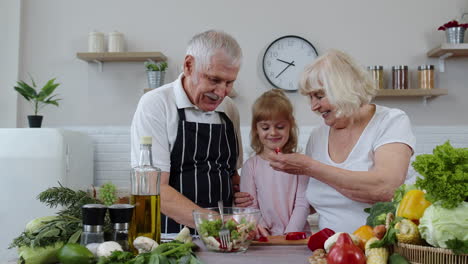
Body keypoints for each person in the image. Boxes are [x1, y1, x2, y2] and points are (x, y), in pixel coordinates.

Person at [236, 49, 415, 233]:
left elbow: (386, 188)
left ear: (343, 88)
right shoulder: (318, 136)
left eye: (319, 96)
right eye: (311, 97)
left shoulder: (391, 121)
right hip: (327, 250)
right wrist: (259, 199)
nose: (314, 106)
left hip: (377, 249)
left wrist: (310, 167)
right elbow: (315, 200)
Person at [131, 30, 243, 233]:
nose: (221, 93)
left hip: (222, 237)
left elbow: (232, 174)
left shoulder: (229, 109)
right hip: (170, 236)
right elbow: (155, 189)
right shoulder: (156, 105)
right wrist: (215, 223)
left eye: (229, 82)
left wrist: (246, 195)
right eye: (214, 80)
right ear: (189, 65)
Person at [240, 89, 310, 237]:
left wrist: (290, 235)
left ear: (290, 126)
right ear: (256, 129)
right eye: (265, 127)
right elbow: (250, 207)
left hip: (296, 238)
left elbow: (302, 205)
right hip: (263, 238)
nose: (273, 133)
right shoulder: (251, 166)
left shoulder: (300, 163)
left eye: (280, 127)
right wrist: (259, 227)